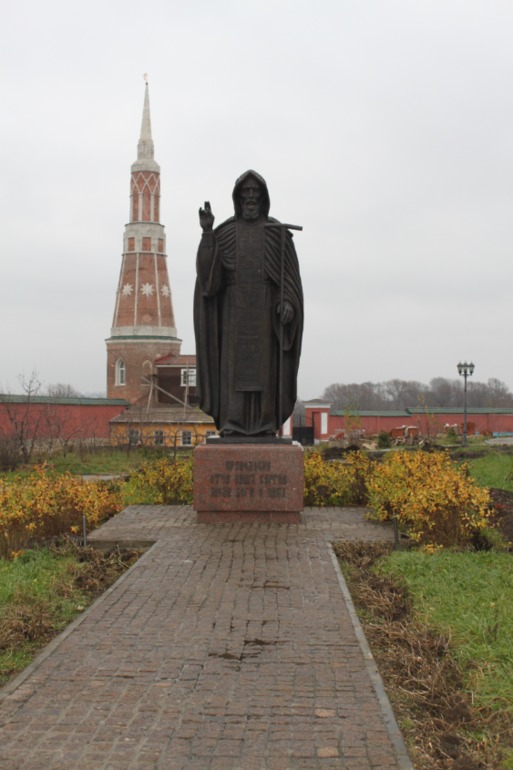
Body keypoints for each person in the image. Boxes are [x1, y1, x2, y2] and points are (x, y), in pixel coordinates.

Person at [194, 170, 303, 437]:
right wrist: (208, 232)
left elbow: (289, 279)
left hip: (265, 316)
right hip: (233, 314)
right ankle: (233, 422)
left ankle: (266, 423)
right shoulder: (225, 232)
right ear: (239, 198)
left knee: (265, 372)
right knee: (233, 371)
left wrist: (287, 301)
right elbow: (209, 282)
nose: (251, 197)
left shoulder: (276, 233)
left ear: (263, 197)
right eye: (246, 192)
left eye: (256, 192)